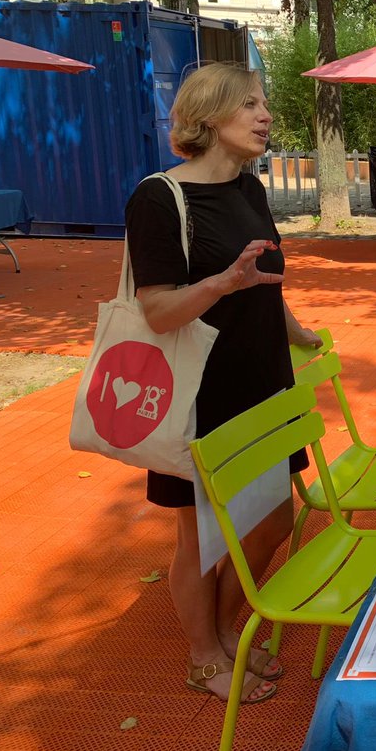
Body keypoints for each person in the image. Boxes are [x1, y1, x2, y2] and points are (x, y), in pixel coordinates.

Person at [124, 62, 321, 706]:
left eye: (264, 104)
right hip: (200, 391)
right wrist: (218, 285)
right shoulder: (158, 198)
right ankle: (203, 653)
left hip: (264, 379)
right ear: (209, 117)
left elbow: (265, 281)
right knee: (198, 533)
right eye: (249, 105)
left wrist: (299, 332)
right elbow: (156, 310)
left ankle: (226, 623)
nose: (265, 115)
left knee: (272, 520)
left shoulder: (251, 190)